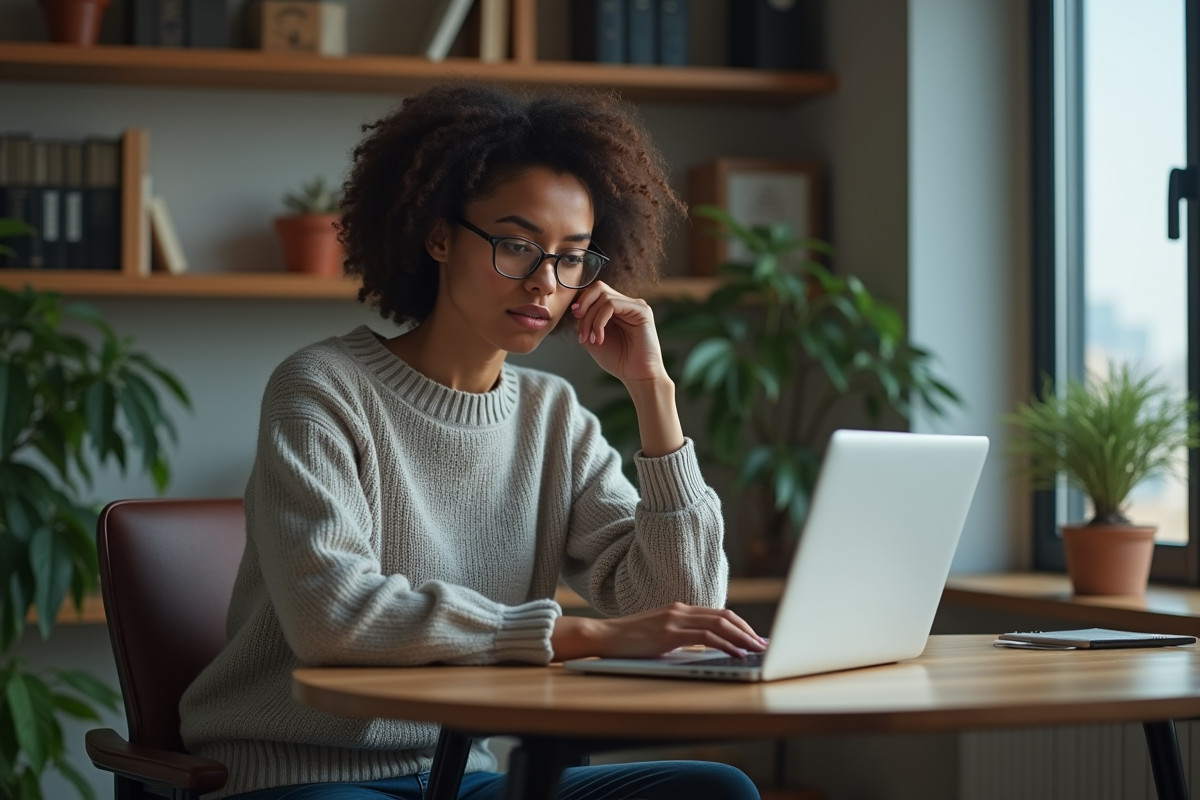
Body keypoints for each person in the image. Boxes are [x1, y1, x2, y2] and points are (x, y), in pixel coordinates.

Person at [179, 82, 766, 800]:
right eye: (517, 246)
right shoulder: (322, 388)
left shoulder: (555, 417)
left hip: (461, 777)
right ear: (439, 237)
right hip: (301, 776)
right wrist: (582, 636)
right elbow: (333, 618)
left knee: (715, 790)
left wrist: (654, 392)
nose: (545, 283)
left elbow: (685, 611)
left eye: (572, 256)